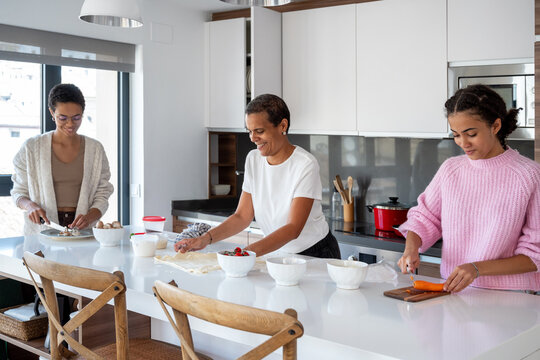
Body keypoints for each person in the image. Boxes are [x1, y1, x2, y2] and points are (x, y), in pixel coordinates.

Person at [397, 84, 540, 293]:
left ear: (495, 126)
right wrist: (411, 248)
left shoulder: (529, 175)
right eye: (456, 135)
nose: (463, 143)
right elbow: (424, 217)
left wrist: (477, 269)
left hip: (512, 299)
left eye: (471, 133)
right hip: (454, 293)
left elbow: (535, 253)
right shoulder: (451, 170)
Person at [175, 94, 341, 259]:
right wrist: (205, 239)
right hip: (279, 251)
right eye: (250, 131)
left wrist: (244, 253)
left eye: (259, 131)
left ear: (283, 125)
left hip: (316, 253)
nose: (253, 138)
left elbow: (293, 228)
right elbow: (242, 216)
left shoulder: (305, 164)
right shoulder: (253, 159)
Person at [11, 83, 113, 235]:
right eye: (63, 118)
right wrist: (30, 206)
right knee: (42, 259)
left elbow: (103, 192)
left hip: (82, 231)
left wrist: (90, 216)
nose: (70, 124)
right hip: (42, 228)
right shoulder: (31, 148)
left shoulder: (95, 149)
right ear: (52, 113)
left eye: (76, 118)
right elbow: (18, 193)